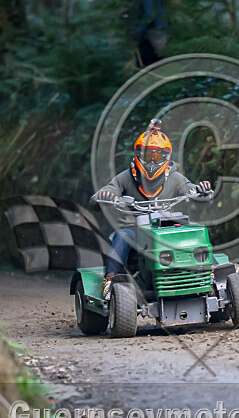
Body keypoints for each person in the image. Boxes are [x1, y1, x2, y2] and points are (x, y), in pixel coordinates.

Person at [89, 119, 212, 298]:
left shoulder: (175, 177)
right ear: (139, 154)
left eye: (158, 156)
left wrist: (202, 191)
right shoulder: (125, 178)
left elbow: (192, 189)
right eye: (148, 155)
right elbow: (101, 195)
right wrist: (105, 197)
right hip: (134, 229)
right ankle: (111, 279)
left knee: (194, 230)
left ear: (166, 157)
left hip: (167, 226)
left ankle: (212, 271)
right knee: (122, 236)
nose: (153, 160)